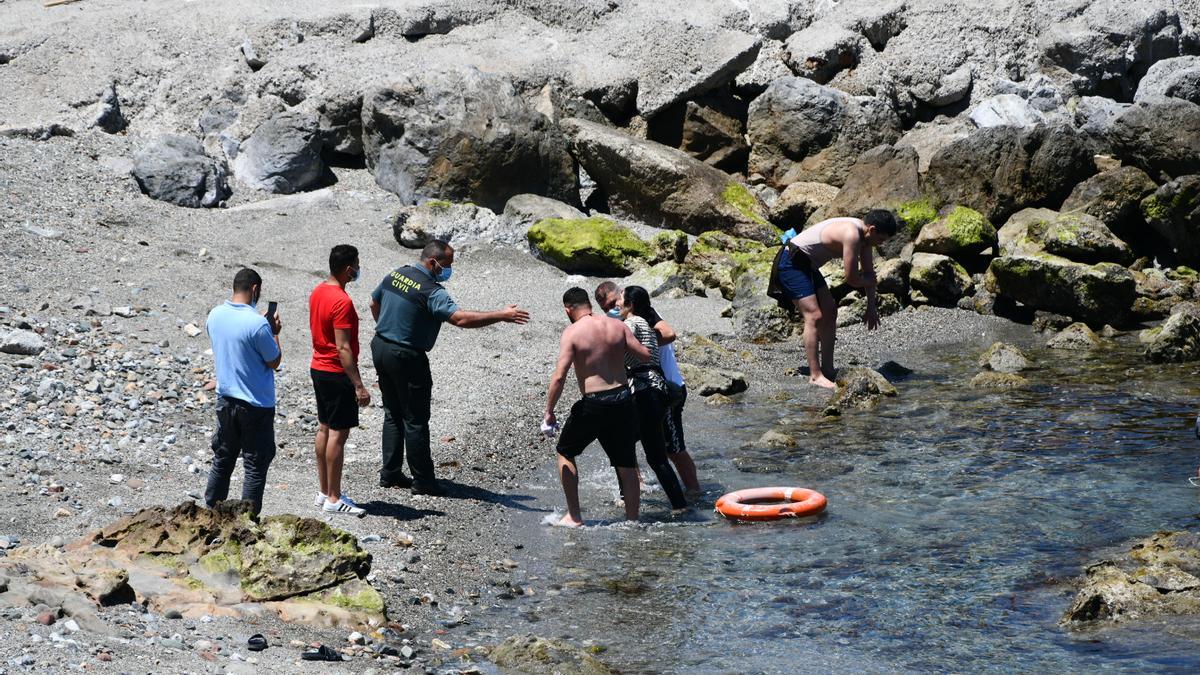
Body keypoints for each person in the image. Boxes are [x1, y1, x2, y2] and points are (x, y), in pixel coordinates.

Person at [370, 240, 529, 496]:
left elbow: (373, 303)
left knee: (392, 413)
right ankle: (423, 481)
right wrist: (501, 315)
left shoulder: (396, 274)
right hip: (407, 355)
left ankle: (390, 473)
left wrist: (390, 329)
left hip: (380, 346)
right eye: (447, 265)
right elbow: (460, 319)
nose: (449, 270)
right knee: (416, 420)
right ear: (433, 262)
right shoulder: (432, 291)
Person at [544, 287, 651, 527]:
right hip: (623, 399)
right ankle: (632, 520)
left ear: (568, 310)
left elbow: (559, 377)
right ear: (590, 305)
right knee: (626, 461)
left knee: (565, 452)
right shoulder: (617, 326)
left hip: (595, 403)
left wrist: (549, 410)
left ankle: (574, 516)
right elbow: (644, 355)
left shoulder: (572, 332)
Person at [778, 209, 898, 388]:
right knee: (814, 316)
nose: (881, 244)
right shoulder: (852, 234)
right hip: (791, 261)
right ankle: (815, 375)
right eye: (881, 239)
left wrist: (871, 307)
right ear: (872, 230)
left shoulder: (865, 237)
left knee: (830, 311)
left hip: (807, 265)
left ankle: (828, 369)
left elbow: (868, 273)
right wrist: (868, 281)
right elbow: (851, 278)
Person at [204, 268, 282, 516]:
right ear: (255, 289)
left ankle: (210, 512)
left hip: (225, 399)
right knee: (255, 465)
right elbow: (274, 361)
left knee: (223, 458)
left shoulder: (215, 315)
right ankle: (246, 520)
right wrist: (275, 332)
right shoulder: (258, 324)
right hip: (256, 404)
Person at [309, 245, 370, 516]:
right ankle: (334, 497)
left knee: (324, 428)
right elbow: (343, 347)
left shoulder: (318, 290)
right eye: (357, 264)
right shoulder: (342, 302)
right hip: (336, 373)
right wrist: (358, 384)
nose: (358, 269)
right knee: (338, 433)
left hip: (318, 368)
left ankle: (324, 491)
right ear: (348, 269)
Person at [618, 286, 688, 510]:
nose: (617, 305)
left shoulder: (629, 325)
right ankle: (680, 505)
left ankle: (629, 499)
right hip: (658, 391)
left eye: (621, 300)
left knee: (631, 448)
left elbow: (620, 351)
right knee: (654, 455)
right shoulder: (646, 325)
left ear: (631, 305)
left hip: (644, 392)